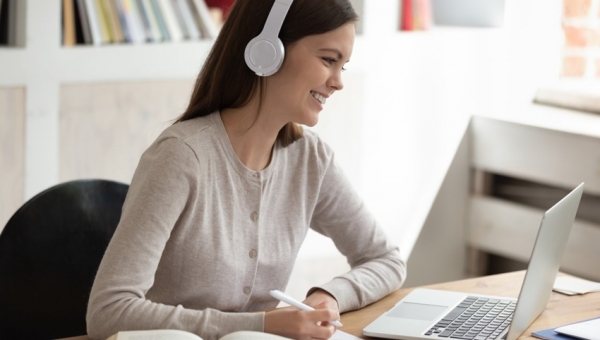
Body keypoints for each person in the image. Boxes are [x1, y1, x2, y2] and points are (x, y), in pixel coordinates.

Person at [86, 0, 406, 339]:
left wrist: (328, 296)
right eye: (329, 60)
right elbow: (109, 312)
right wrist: (261, 324)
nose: (338, 81)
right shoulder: (182, 157)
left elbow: (386, 260)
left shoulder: (310, 161)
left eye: (343, 65)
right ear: (268, 51)